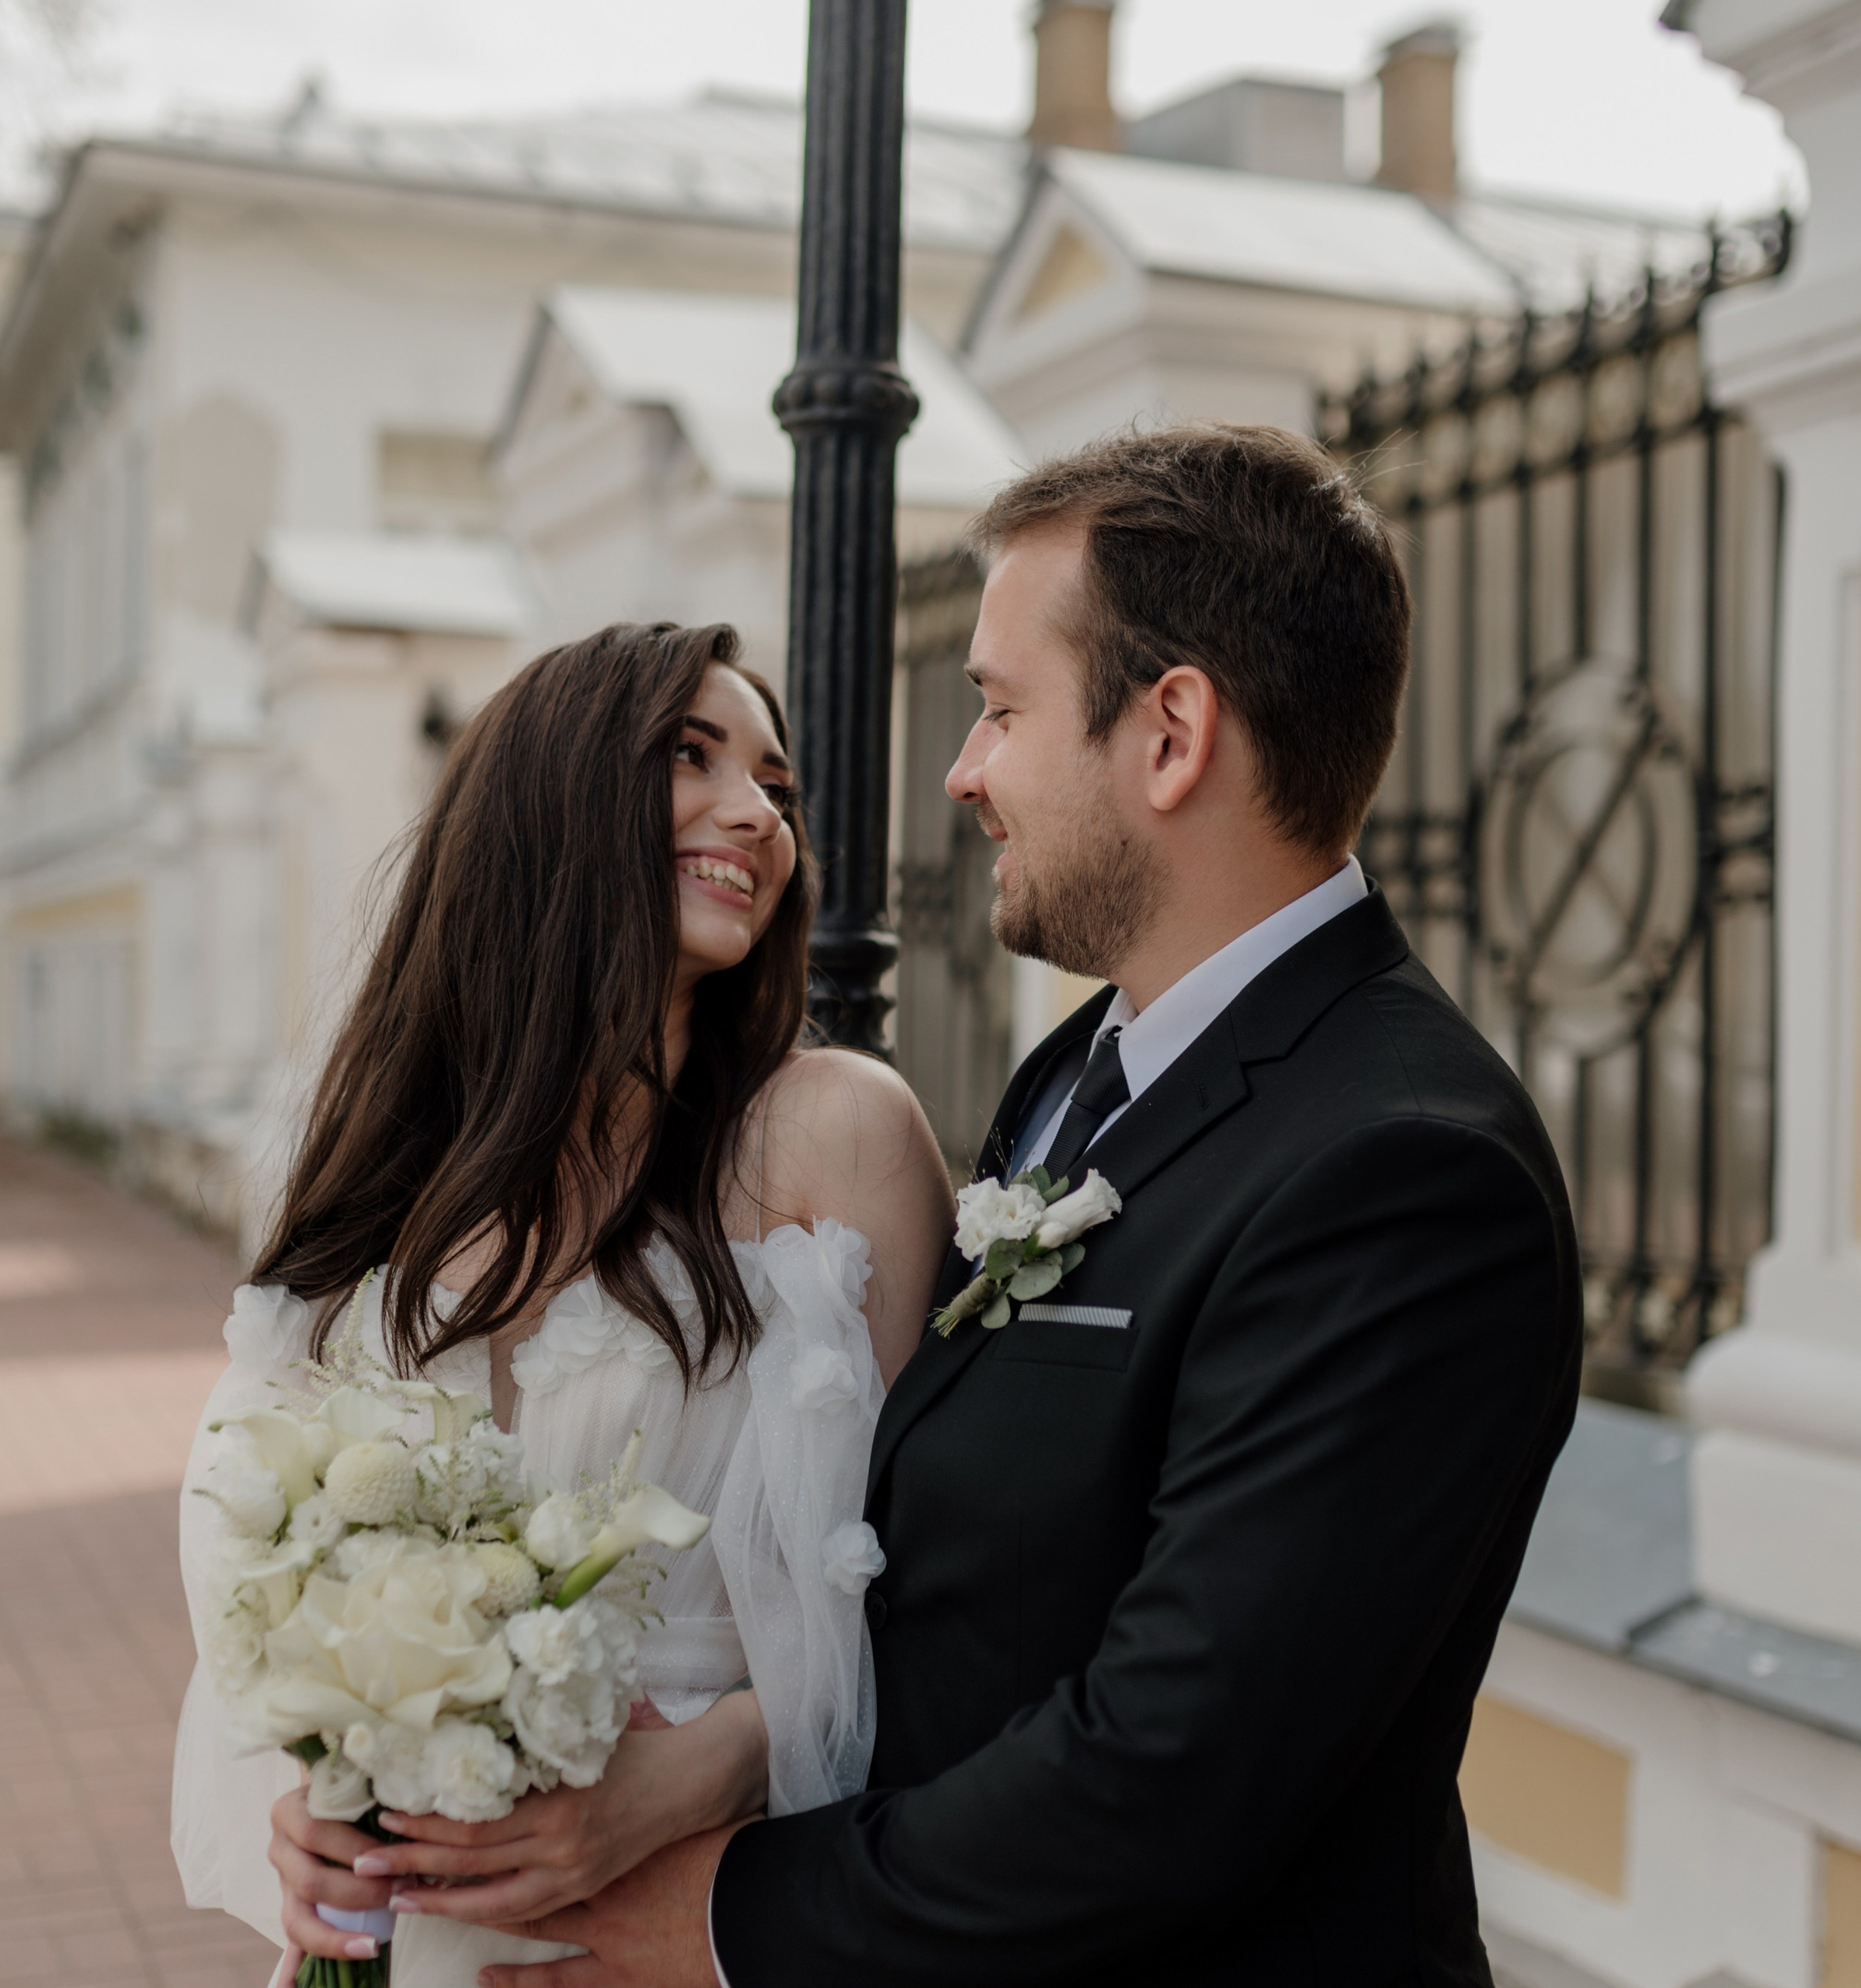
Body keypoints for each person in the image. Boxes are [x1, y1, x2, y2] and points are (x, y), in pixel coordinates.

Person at [490, 426, 1585, 1988]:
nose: (963, 769)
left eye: (1000, 708)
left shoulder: (1403, 1171)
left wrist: (723, 1915)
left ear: (1169, 733)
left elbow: (1168, 1765)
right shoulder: (1086, 1064)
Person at [169, 622, 954, 1987]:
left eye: (775, 783)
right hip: (413, 1929)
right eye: (693, 757)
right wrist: (301, 1799)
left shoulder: (836, 1138)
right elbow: (256, 1558)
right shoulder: (383, 1170)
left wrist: (700, 1774)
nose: (755, 812)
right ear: (553, 797)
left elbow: (950, 1583)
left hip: (690, 1912)